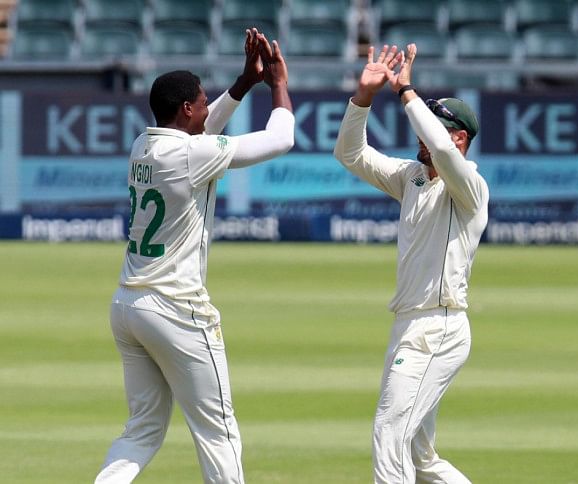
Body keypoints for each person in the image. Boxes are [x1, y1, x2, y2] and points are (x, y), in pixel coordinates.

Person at [95, 28, 294, 484]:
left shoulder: (143, 145)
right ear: (186, 108)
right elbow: (280, 139)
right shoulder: (188, 155)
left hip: (128, 305)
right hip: (175, 308)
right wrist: (278, 83)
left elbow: (203, 133)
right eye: (203, 102)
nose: (207, 108)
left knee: (141, 431)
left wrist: (244, 83)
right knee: (219, 432)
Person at [333, 43, 488, 484]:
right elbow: (350, 155)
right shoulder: (412, 177)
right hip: (407, 325)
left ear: (459, 138)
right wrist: (363, 98)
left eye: (435, 130)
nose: (422, 138)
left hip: (438, 328)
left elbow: (439, 146)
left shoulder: (470, 186)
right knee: (421, 459)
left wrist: (405, 91)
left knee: (389, 432)